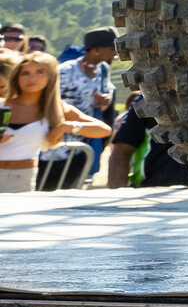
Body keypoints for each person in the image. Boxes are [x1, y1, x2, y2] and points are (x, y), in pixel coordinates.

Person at [4, 54, 111, 193]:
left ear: (51, 76)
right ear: (16, 77)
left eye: (40, 72)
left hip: (22, 178)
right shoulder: (2, 105)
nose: (32, 78)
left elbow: (104, 130)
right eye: (25, 73)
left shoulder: (55, 109)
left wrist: (66, 127)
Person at [59, 30, 115, 125]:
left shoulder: (103, 69)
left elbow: (107, 93)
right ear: (96, 50)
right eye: (113, 48)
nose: (116, 53)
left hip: (89, 132)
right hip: (64, 132)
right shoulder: (64, 71)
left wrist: (106, 100)